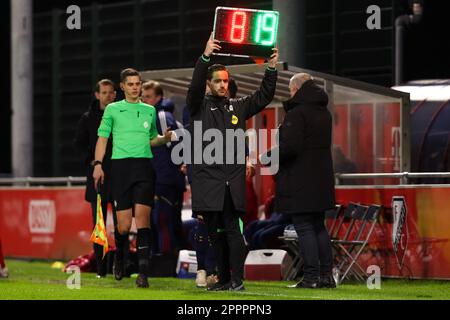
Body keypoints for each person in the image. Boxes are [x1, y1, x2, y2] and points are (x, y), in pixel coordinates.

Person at [186, 33, 278, 291]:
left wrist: (270, 68)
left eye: (226, 81)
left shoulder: (237, 107)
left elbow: (264, 96)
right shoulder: (197, 107)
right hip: (207, 180)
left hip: (231, 182)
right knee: (214, 234)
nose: (223, 85)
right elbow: (193, 88)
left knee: (233, 231)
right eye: (218, 81)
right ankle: (224, 278)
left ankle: (237, 280)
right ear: (208, 84)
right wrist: (205, 56)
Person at [93, 68, 172, 288]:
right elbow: (102, 139)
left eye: (138, 84)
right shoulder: (112, 109)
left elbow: (152, 139)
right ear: (123, 86)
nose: (136, 87)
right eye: (131, 84)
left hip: (144, 168)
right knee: (124, 226)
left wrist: (163, 139)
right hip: (120, 170)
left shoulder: (149, 111)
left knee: (143, 219)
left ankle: (143, 273)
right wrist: (98, 164)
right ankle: (119, 257)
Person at [275, 73, 336, 289]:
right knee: (319, 226)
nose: (290, 95)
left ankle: (310, 277)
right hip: (321, 179)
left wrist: (268, 156)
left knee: (304, 226)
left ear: (297, 90)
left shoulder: (297, 113)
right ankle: (326, 276)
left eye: (291, 91)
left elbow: (290, 147)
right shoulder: (324, 112)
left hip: (300, 180)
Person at [74, 79, 130, 278]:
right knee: (98, 225)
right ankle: (100, 268)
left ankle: (120, 265)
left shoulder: (122, 116)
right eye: (104, 92)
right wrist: (92, 162)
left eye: (111, 92)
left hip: (119, 177)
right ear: (97, 95)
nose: (108, 95)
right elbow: (79, 145)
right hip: (97, 178)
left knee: (122, 224)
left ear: (115, 94)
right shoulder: (88, 118)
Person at [141, 81, 185, 256]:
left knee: (162, 221)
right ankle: (164, 259)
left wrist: (174, 173)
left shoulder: (162, 116)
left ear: (158, 98)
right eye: (142, 97)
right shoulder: (152, 116)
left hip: (165, 180)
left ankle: (165, 260)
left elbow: (178, 146)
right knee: (163, 221)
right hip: (159, 179)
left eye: (148, 97)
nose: (144, 100)